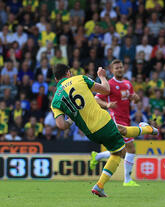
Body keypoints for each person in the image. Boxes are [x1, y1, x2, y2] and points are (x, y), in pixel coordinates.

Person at [50, 64, 158, 197]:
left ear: (56, 79)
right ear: (68, 73)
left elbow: (61, 125)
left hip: (91, 133)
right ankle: (99, 186)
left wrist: (72, 119)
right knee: (119, 152)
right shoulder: (80, 79)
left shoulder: (55, 101)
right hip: (103, 121)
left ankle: (147, 129)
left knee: (120, 131)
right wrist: (102, 76)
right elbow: (106, 90)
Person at [90, 59, 141, 187]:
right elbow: (96, 99)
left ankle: (97, 156)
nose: (119, 69)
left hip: (126, 119)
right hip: (116, 119)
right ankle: (127, 180)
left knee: (121, 151)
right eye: (116, 68)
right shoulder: (109, 85)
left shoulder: (127, 83)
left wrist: (135, 97)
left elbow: (133, 97)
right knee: (131, 148)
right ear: (112, 71)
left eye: (121, 67)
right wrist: (107, 104)